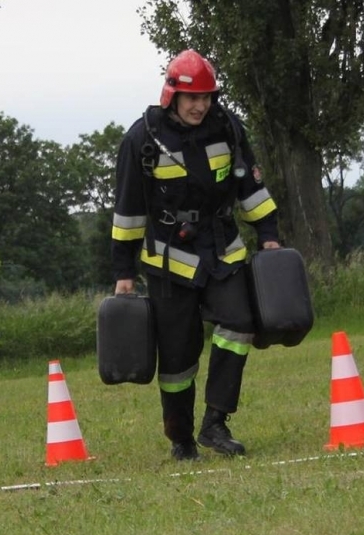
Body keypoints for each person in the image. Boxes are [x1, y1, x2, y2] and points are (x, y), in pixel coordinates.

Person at [111, 50, 281, 459]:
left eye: (207, 97)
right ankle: (182, 439)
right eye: (192, 98)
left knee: (240, 324)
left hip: (223, 252)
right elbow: (129, 210)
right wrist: (124, 271)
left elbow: (250, 189)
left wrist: (268, 234)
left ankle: (215, 423)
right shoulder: (141, 140)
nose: (200, 105)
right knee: (177, 360)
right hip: (168, 263)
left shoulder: (228, 129)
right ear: (171, 95)